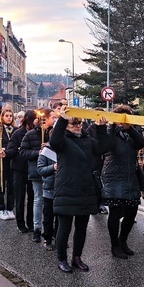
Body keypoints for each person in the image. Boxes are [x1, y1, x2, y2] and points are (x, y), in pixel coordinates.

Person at [49, 109, 109, 272]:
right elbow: (54, 142)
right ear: (67, 125)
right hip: (67, 187)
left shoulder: (87, 140)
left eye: (80, 123)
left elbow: (103, 147)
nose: (77, 126)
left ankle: (77, 257)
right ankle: (62, 259)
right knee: (64, 227)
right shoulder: (62, 139)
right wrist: (62, 120)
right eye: (73, 123)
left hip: (85, 188)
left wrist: (101, 128)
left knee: (82, 227)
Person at [101, 106, 144, 259]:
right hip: (114, 177)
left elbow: (141, 143)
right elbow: (108, 146)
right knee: (115, 213)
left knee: (131, 212)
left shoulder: (131, 134)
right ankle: (115, 245)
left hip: (131, 177)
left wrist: (130, 129)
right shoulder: (111, 132)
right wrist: (112, 125)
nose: (122, 122)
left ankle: (123, 241)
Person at [20, 109, 56, 242]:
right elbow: (23, 153)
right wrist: (38, 152)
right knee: (38, 200)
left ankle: (50, 229)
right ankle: (37, 228)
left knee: (52, 202)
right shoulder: (30, 135)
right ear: (45, 118)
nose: (54, 119)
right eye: (52, 117)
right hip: (37, 172)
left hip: (53, 172)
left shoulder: (55, 134)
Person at [7, 110, 36, 233]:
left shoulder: (37, 132)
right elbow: (11, 149)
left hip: (32, 169)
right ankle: (20, 223)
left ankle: (31, 222)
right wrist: (16, 151)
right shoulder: (18, 133)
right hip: (19, 168)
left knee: (32, 197)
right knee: (20, 197)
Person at [0, 107, 16, 220]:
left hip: (12, 161)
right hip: (1, 162)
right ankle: (1, 208)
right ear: (2, 117)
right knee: (1, 185)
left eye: (10, 116)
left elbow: (16, 144)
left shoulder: (16, 130)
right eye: (7, 116)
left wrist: (9, 152)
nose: (9, 118)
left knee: (12, 186)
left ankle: (10, 208)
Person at [37, 142, 57, 250]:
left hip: (62, 188)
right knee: (48, 215)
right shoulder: (46, 152)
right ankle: (47, 239)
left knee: (61, 216)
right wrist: (53, 167)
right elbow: (40, 170)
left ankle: (59, 238)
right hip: (49, 188)